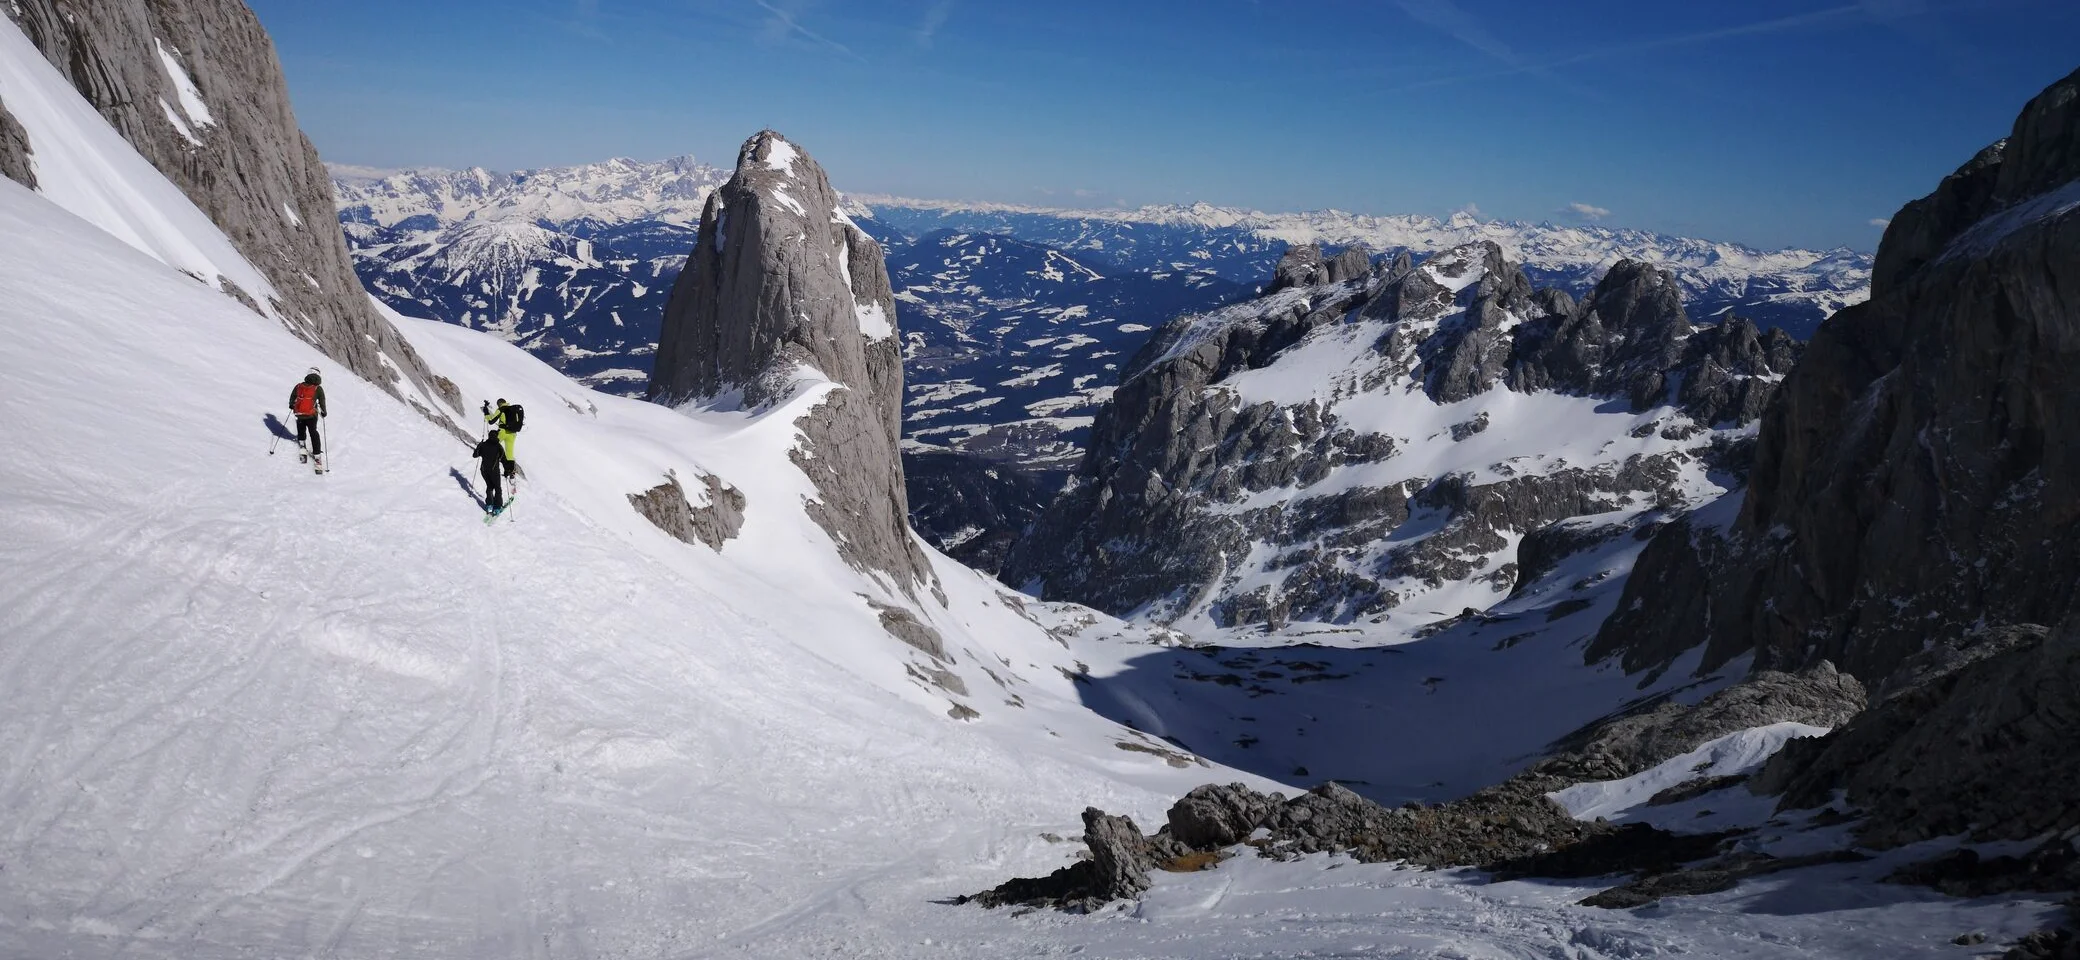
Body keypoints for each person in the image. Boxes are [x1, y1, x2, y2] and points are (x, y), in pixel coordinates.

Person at [288, 368, 327, 463]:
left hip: (300, 414)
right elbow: (322, 401)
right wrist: (324, 412)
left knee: (301, 429)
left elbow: (293, 397)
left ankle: (302, 444)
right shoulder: (318, 388)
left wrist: (291, 405)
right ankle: (317, 454)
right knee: (313, 432)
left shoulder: (299, 386)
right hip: (311, 415)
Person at [472, 428, 509, 512]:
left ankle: (489, 506)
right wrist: (507, 471)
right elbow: (504, 460)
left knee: (489, 486)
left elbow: (475, 455)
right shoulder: (498, 446)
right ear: (497, 436)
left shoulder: (483, 445)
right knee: (497, 488)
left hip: (484, 470)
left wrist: (479, 446)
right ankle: (497, 507)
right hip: (494, 471)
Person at [483, 398, 521, 478]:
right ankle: (510, 471)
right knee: (509, 453)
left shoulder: (501, 409)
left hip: (503, 432)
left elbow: (491, 421)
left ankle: (491, 464)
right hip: (513, 434)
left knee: (492, 445)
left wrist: (486, 412)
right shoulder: (514, 410)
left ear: (499, 404)